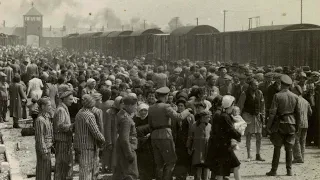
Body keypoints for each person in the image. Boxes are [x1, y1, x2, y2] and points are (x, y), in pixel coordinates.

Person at [148, 87, 191, 180]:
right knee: (171, 161)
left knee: (159, 163)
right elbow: (179, 117)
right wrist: (187, 111)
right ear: (166, 96)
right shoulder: (166, 107)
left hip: (154, 136)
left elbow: (150, 124)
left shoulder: (151, 108)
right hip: (165, 135)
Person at [266, 75, 301, 176]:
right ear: (289, 85)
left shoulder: (277, 96)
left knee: (277, 148)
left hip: (279, 124)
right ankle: (289, 170)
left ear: (281, 84)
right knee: (289, 149)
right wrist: (297, 126)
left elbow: (272, 113)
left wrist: (268, 126)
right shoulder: (295, 97)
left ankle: (274, 170)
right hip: (292, 124)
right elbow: (298, 113)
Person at [206, 95, 242, 180]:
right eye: (233, 104)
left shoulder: (223, 115)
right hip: (223, 148)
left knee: (225, 170)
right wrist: (239, 135)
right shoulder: (225, 116)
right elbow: (231, 130)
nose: (233, 106)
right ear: (230, 105)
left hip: (221, 146)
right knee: (222, 172)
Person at [74, 94, 106, 180]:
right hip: (88, 145)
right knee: (87, 171)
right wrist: (103, 139)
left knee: (83, 170)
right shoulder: (89, 115)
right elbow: (95, 131)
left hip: (79, 144)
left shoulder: (79, 112)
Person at [237, 79, 265, 162]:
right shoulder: (244, 94)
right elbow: (240, 106)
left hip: (257, 116)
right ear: (250, 85)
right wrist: (239, 118)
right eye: (255, 85)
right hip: (248, 116)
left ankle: (258, 154)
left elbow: (262, 106)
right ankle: (249, 155)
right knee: (248, 136)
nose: (256, 86)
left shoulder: (259, 93)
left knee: (259, 136)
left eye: (257, 85)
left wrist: (263, 115)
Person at [113, 94, 139, 180]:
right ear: (130, 106)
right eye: (135, 105)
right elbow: (124, 139)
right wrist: (129, 154)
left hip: (122, 149)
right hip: (128, 149)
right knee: (130, 174)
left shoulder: (121, 114)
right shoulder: (126, 119)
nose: (136, 108)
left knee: (120, 174)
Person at [53, 84, 74, 180]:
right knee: (61, 166)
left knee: (65, 165)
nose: (72, 101)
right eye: (70, 99)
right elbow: (60, 126)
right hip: (62, 141)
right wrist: (72, 126)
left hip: (65, 141)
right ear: (64, 98)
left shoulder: (64, 108)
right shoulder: (61, 110)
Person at [187, 110, 212, 180]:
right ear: (202, 117)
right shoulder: (194, 125)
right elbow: (190, 137)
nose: (209, 119)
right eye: (208, 117)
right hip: (198, 150)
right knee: (199, 166)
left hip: (207, 149)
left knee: (206, 166)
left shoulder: (210, 126)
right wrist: (189, 147)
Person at [133, 103, 155, 180]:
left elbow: (154, 128)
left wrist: (150, 134)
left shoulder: (150, 118)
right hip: (140, 143)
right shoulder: (135, 119)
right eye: (141, 110)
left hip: (149, 142)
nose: (143, 112)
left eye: (145, 110)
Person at [102, 96, 123, 173]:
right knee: (111, 153)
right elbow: (107, 128)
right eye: (121, 103)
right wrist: (109, 141)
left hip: (120, 136)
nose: (123, 105)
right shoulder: (109, 112)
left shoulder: (123, 111)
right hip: (112, 136)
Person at [34, 97, 53, 180]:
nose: (50, 107)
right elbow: (39, 137)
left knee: (47, 170)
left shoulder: (47, 117)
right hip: (43, 148)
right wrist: (44, 151)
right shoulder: (40, 120)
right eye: (48, 105)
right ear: (42, 106)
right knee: (42, 170)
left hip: (48, 146)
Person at [292, 85, 312, 163]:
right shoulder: (305, 101)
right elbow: (310, 113)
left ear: (297, 91)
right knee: (303, 141)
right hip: (305, 123)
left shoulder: (295, 100)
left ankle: (298, 157)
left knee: (296, 140)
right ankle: (302, 157)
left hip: (298, 123)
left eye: (293, 90)